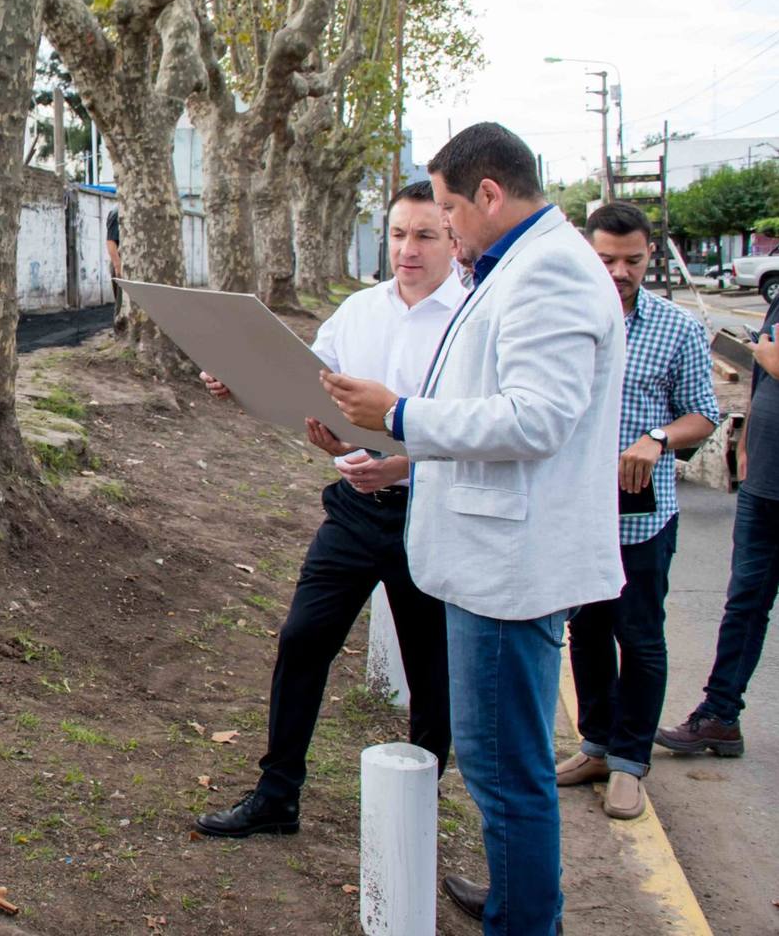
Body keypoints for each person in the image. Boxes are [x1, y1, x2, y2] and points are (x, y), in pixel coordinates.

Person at [323, 123, 624, 935]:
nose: (444, 228)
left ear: (488, 195)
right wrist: (397, 444)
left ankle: (523, 922)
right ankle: (515, 900)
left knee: (501, 770)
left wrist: (398, 414)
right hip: (490, 552)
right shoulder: (515, 265)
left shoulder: (550, 273)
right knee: (500, 763)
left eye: (448, 210)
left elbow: (534, 420)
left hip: (508, 566)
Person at [193, 181, 460, 839]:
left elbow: (479, 434)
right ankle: (276, 796)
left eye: (424, 235)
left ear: (454, 238)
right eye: (397, 234)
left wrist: (403, 463)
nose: (406, 249)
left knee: (432, 674)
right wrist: (241, 382)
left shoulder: (472, 319)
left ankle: (415, 814)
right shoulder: (358, 312)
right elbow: (307, 383)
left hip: (432, 514)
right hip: (353, 511)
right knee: (301, 641)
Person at [556, 202, 718, 819]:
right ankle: (595, 746)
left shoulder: (676, 328)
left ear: (651, 253)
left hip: (643, 519)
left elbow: (704, 412)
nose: (619, 272)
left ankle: (630, 762)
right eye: (605, 260)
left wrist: (657, 440)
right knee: (587, 632)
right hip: (576, 509)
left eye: (632, 260)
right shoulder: (567, 319)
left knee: (640, 636)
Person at [656, 265, 779, 758]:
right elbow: (759, 378)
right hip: (766, 480)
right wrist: (747, 439)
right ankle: (720, 714)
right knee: (745, 603)